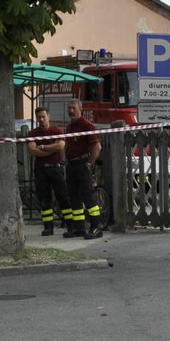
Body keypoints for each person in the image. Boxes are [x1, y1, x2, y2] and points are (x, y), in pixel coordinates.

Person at [61, 99, 104, 240]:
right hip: (71, 166)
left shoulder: (87, 126)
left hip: (82, 164)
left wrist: (89, 164)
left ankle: (96, 227)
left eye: (73, 108)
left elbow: (97, 147)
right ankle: (79, 228)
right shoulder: (70, 127)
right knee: (74, 197)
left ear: (81, 109)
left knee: (88, 197)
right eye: (69, 108)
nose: (71, 111)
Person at [25, 107, 71, 237]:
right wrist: (51, 149)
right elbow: (33, 150)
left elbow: (60, 146)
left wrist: (43, 147)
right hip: (41, 169)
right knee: (44, 199)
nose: (41, 119)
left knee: (63, 197)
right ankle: (48, 227)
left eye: (43, 116)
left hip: (56, 168)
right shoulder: (33, 133)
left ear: (48, 116)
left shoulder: (57, 130)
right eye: (39, 117)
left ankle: (70, 225)